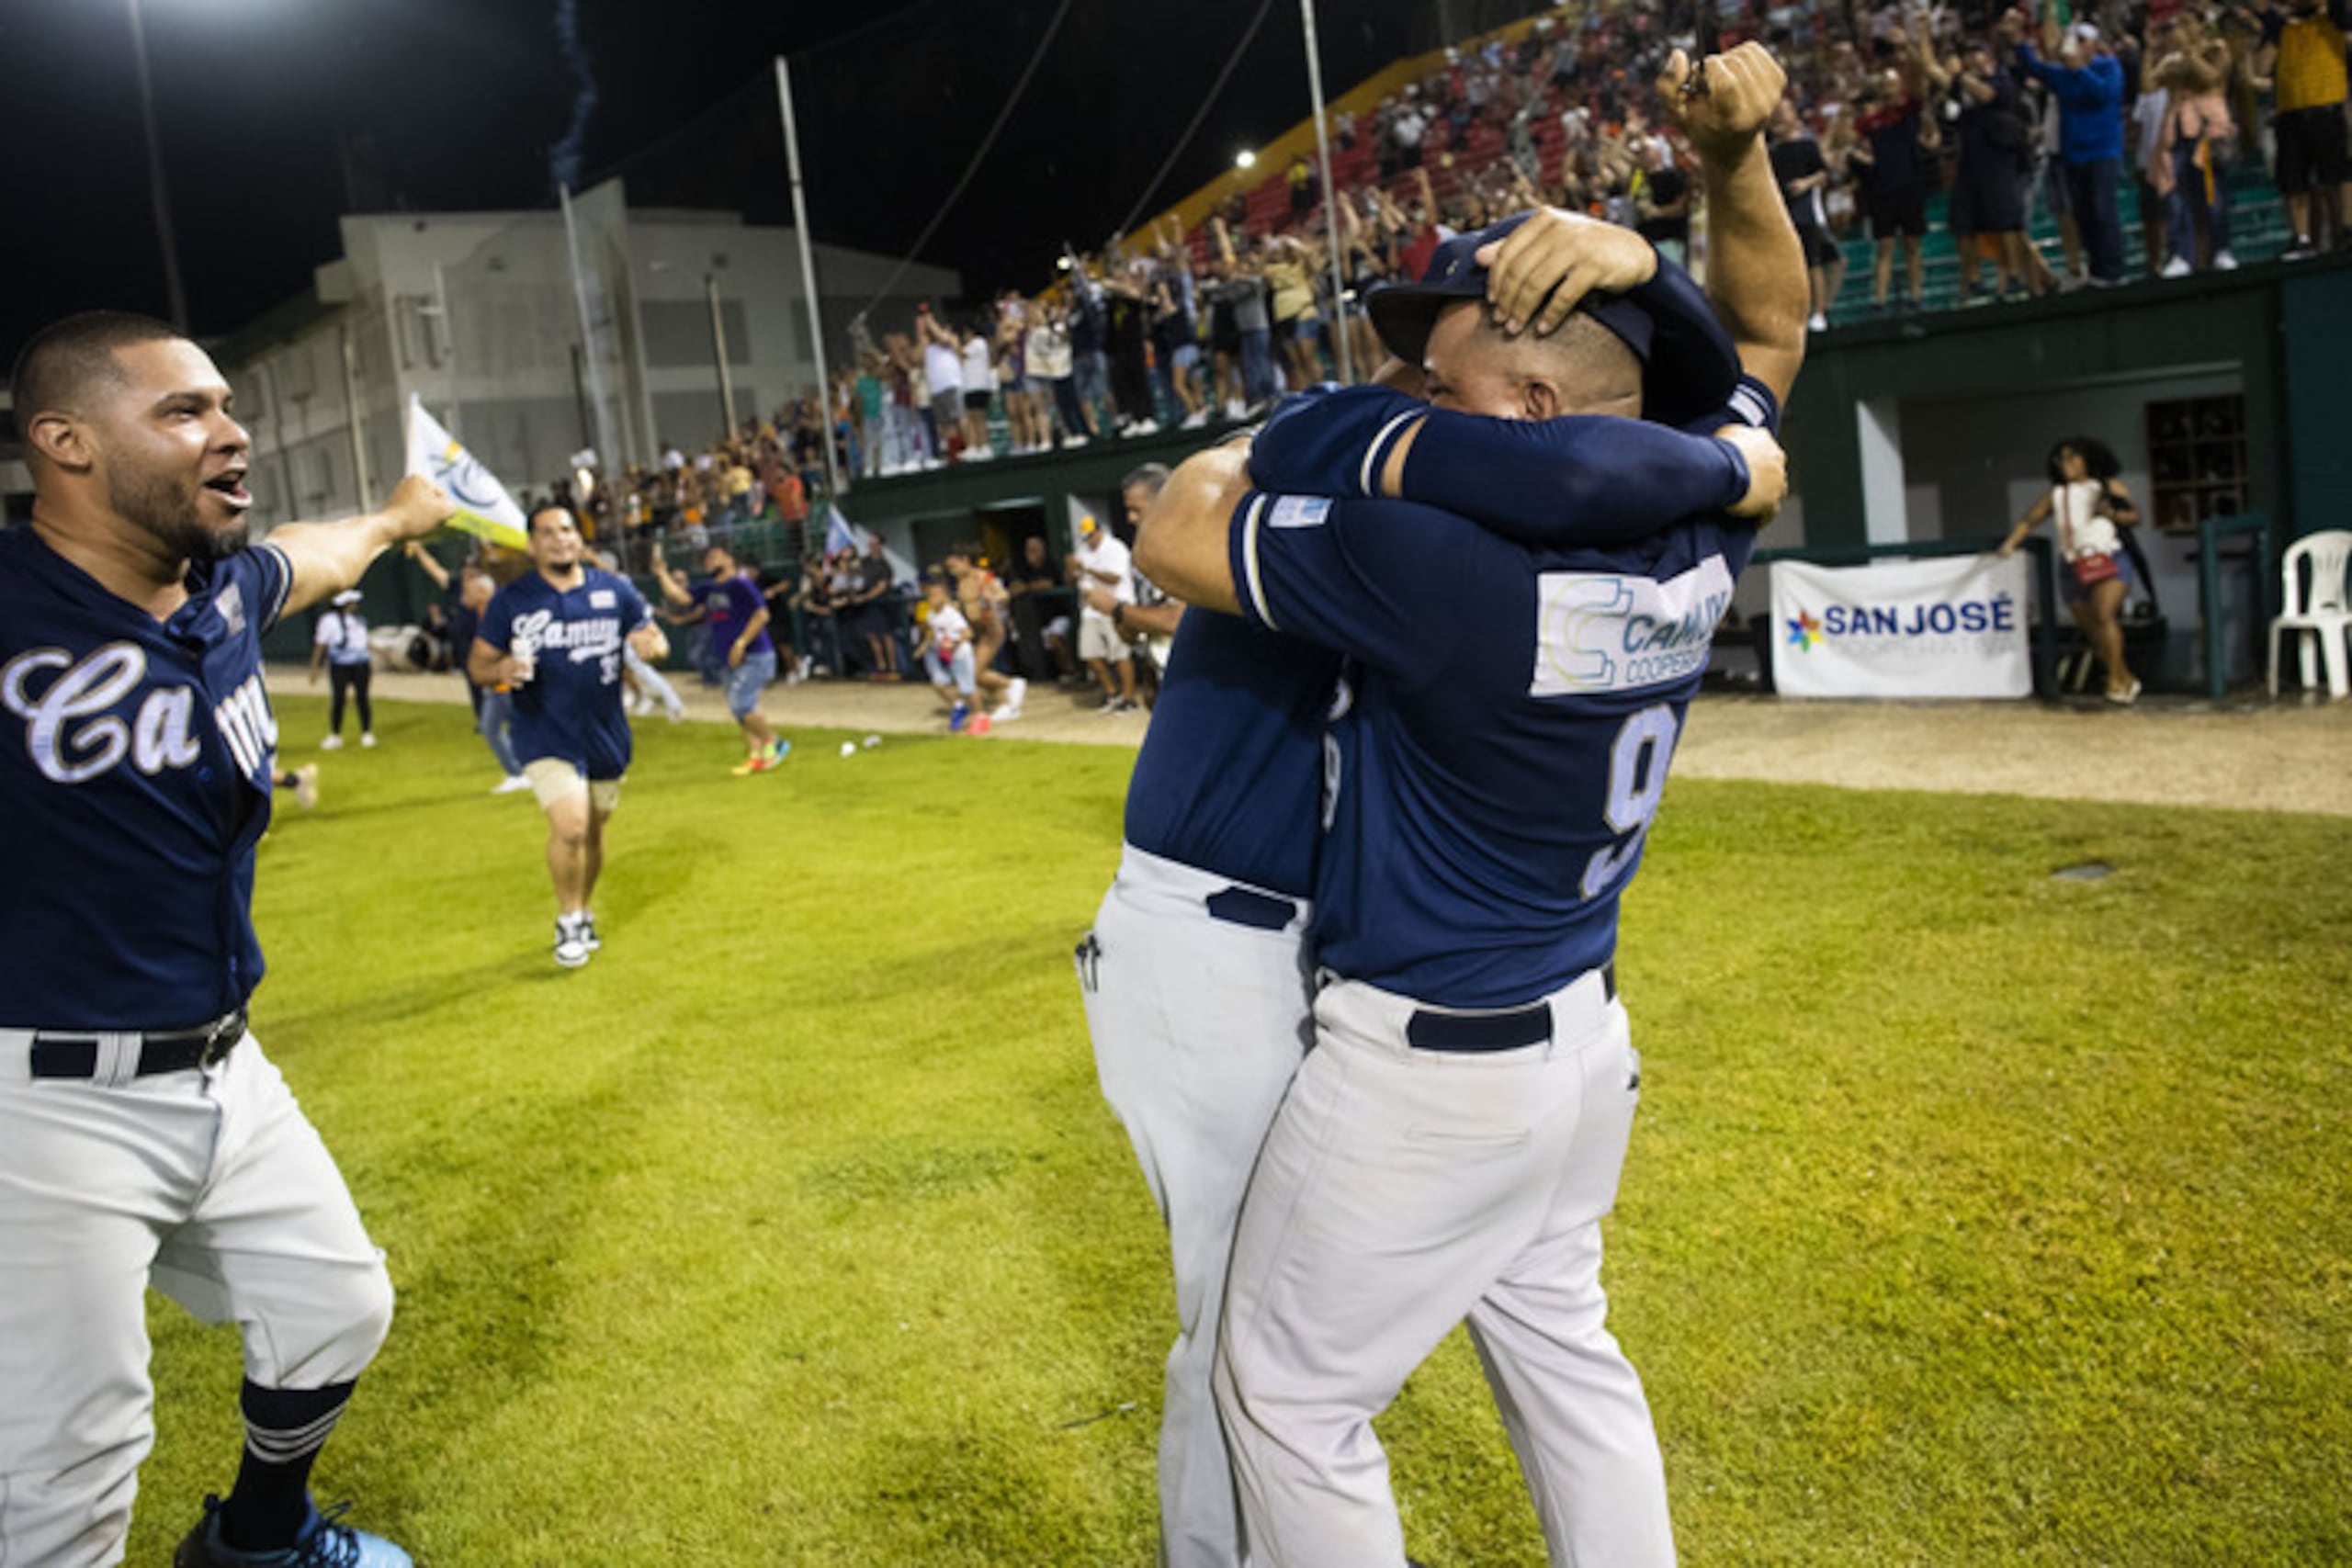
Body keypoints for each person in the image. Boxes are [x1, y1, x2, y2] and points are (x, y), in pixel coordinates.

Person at [1128, 42, 1806, 1568]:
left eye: (1445, 389)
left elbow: (1176, 532)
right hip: (1583, 1037)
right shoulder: (1709, 509)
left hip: (1428, 1060)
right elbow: (1773, 326)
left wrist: (1294, 435)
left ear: (1538, 406)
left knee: (1286, 1397)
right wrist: (1725, 169)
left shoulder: (1439, 566)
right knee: (1570, 1364)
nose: (1420, 405)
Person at [1, 310, 458, 1568]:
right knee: (66, 1475)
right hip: (41, 1103)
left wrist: (396, 518)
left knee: (336, 1305)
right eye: (183, 410)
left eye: (226, 404)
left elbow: (314, 553)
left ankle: (258, 1539)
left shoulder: (223, 594)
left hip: (224, 1065)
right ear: (67, 442)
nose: (230, 430)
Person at [468, 505, 669, 967]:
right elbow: (478, 664)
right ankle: (569, 920)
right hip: (544, 731)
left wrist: (652, 647)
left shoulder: (613, 589)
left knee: (593, 833)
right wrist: (500, 669)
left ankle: (584, 909)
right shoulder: (512, 601)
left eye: (566, 530)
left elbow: (653, 636)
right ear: (532, 545)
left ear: (579, 538)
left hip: (606, 733)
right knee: (571, 826)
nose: (559, 539)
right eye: (547, 533)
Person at [1996, 436, 2144, 704]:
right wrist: (2010, 543)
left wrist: (2111, 513)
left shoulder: (2106, 486)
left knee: (2103, 614)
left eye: (2073, 457)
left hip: (2108, 557)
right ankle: (2124, 677)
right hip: (2073, 563)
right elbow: (2030, 519)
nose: (2066, 463)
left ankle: (2114, 679)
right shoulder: (2056, 493)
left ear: (2088, 459)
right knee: (2092, 629)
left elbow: (2134, 516)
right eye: (2061, 459)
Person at [650, 544, 790, 775]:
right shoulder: (710, 587)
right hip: (730, 658)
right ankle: (756, 755)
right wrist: (661, 573)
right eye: (707, 558)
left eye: (714, 557)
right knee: (740, 708)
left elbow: (762, 615)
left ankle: (775, 742)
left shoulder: (741, 584)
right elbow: (681, 598)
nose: (709, 561)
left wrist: (741, 643)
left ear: (729, 559)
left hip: (755, 655)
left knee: (741, 704)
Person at [405, 544, 530, 793]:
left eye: (470, 583)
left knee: (518, 727)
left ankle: (529, 770)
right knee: (491, 727)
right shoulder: (474, 608)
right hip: (485, 679)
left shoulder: (501, 611)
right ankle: (518, 773)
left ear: (482, 589)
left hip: (504, 682)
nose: (464, 590)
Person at [1068, 513, 1141, 713]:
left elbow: (1114, 578)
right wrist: (1071, 569)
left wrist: (1086, 569)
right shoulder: (1082, 551)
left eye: (1091, 536)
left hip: (1115, 606)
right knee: (1090, 654)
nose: (1088, 541)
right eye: (1085, 537)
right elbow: (1074, 578)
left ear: (1099, 532)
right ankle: (1112, 693)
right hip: (1090, 610)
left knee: (1120, 655)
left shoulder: (1115, 548)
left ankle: (1129, 699)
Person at [307, 588, 377, 750]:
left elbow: (363, 642)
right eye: (352, 602)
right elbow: (320, 645)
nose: (355, 605)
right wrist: (314, 668)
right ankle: (335, 735)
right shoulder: (328, 621)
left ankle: (366, 733)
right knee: (339, 699)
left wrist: (382, 650)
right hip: (340, 665)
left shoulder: (359, 620)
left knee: (362, 698)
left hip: (361, 664)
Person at [915, 569, 982, 732]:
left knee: (968, 688)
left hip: (961, 653)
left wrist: (953, 643)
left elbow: (968, 633)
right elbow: (933, 634)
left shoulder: (951, 614)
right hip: (946, 655)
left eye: (937, 595)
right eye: (931, 596)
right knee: (939, 684)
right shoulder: (931, 614)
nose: (933, 599)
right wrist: (924, 647)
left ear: (945, 596)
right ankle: (959, 706)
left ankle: (980, 717)